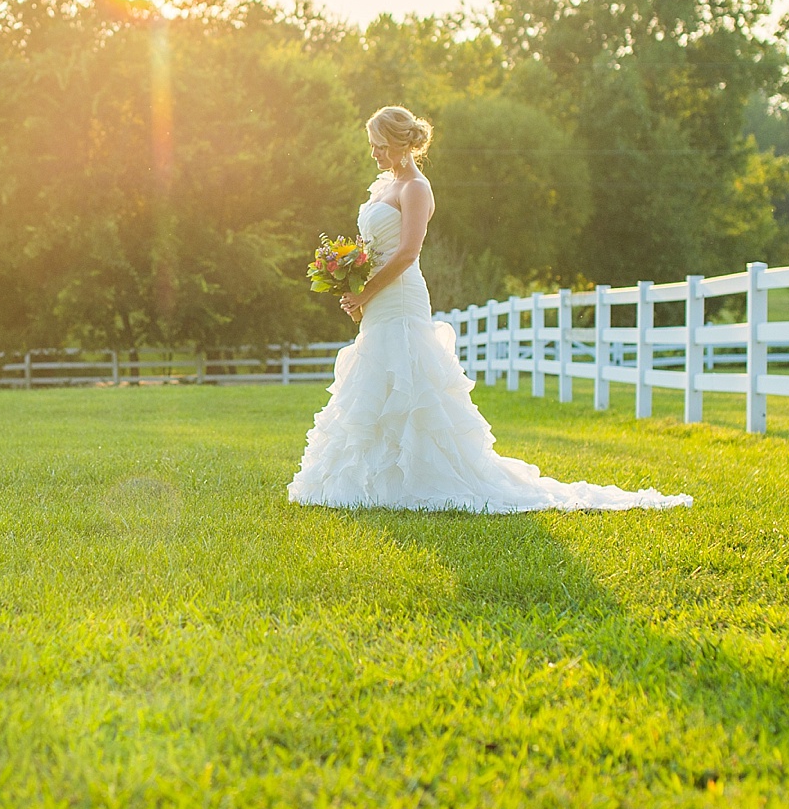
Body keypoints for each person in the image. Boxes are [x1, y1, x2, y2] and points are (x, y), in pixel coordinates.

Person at [288, 105, 693, 513]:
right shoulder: (383, 186)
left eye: (379, 146)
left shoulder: (416, 188)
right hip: (378, 299)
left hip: (402, 296)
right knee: (376, 379)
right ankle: (376, 479)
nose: (373, 153)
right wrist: (356, 287)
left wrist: (366, 291)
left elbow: (409, 252)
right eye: (372, 146)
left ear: (398, 144)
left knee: (410, 381)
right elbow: (374, 250)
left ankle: (421, 476)